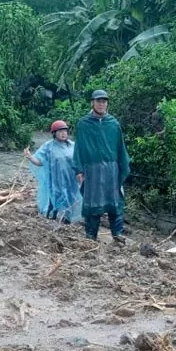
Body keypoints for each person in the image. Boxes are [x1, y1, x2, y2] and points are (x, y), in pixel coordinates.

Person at [72, 89, 130, 242]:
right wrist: (78, 169)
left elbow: (120, 147)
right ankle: (91, 236)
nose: (101, 104)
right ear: (92, 102)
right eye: (98, 101)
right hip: (92, 170)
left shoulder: (113, 124)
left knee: (115, 201)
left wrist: (122, 167)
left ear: (107, 103)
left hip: (112, 169)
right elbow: (79, 147)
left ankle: (117, 234)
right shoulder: (84, 124)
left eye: (104, 101)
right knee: (93, 202)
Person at [24, 120, 81, 224]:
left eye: (65, 131)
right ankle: (51, 219)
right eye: (60, 131)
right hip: (55, 181)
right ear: (54, 133)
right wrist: (30, 157)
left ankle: (67, 220)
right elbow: (40, 162)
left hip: (71, 180)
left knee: (71, 199)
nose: (64, 133)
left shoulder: (73, 145)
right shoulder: (48, 146)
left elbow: (80, 160)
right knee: (55, 200)